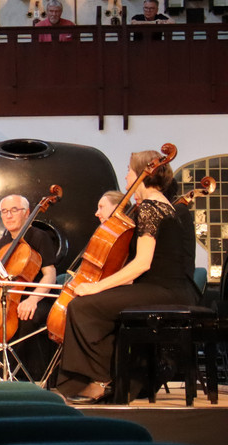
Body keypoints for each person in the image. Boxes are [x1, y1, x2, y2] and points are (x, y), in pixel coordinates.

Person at [58, 151, 199, 404]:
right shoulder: (167, 204)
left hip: (161, 290)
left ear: (142, 174)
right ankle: (123, 379)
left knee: (83, 306)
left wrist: (97, 287)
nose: (126, 176)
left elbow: (142, 263)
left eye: (128, 171)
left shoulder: (149, 207)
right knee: (104, 304)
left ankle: (99, 382)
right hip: (174, 290)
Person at [0, 194, 59, 379]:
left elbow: (50, 274)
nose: (8, 215)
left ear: (27, 213)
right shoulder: (4, 242)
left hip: (35, 297)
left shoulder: (39, 237)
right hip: (7, 299)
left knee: (26, 318)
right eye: (4, 211)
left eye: (14, 210)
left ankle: (26, 377)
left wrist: (33, 299)